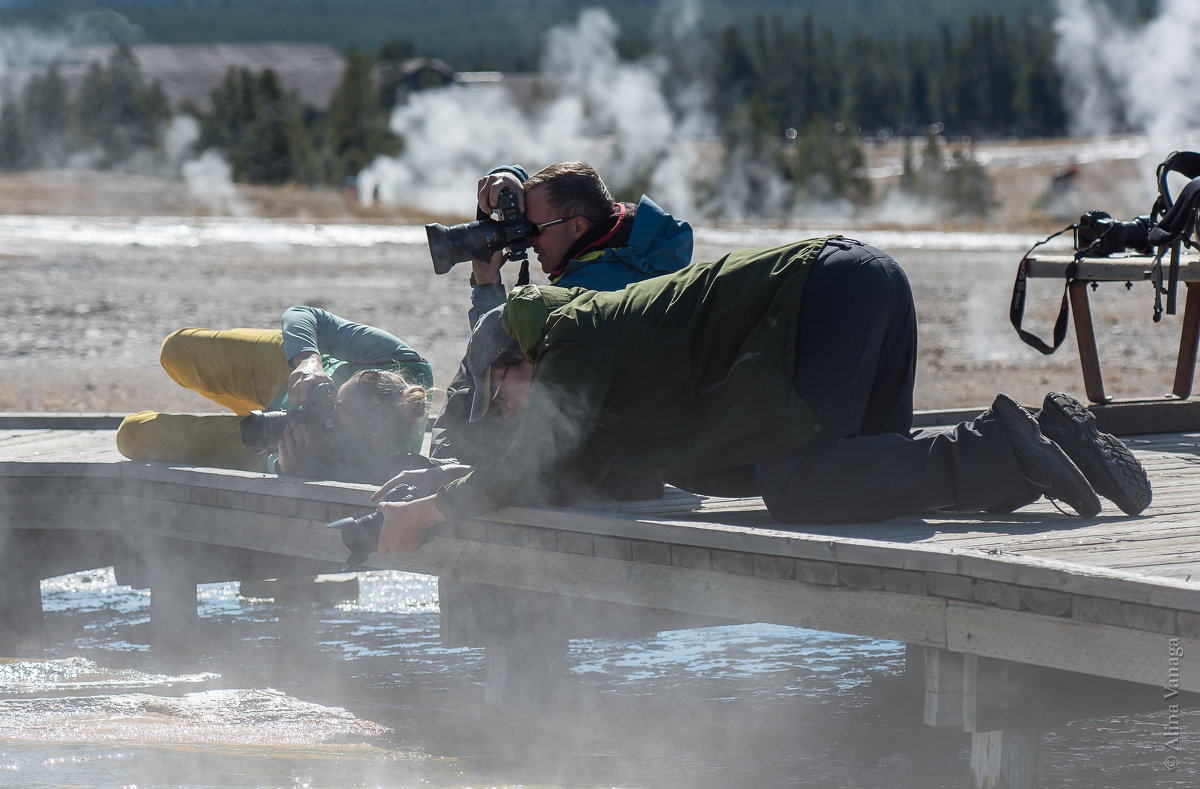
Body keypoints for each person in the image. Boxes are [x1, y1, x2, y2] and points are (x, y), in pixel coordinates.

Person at [368, 236, 1153, 554]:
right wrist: (446, 479)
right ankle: (1047, 437)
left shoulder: (574, 333)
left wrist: (430, 514)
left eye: (498, 398)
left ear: (514, 359)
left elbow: (534, 454)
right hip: (859, 287)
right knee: (860, 482)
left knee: (801, 485)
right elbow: (570, 475)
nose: (510, 416)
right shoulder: (592, 394)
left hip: (827, 295)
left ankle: (1001, 448)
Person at [429, 160, 693, 466]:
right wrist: (510, 176)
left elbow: (497, 350)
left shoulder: (592, 291)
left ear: (578, 226)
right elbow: (557, 194)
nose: (527, 240)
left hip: (606, 448)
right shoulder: (633, 247)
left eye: (533, 229)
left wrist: (487, 288)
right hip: (649, 429)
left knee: (481, 364)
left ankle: (444, 468)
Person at [117, 306, 434, 484]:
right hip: (288, 372)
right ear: (373, 375)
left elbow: (317, 497)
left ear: (373, 438)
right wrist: (309, 360)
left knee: (132, 436)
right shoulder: (403, 361)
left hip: (279, 436)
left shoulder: (374, 471)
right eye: (332, 397)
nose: (328, 408)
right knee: (176, 350)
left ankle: (249, 421)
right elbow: (304, 314)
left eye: (336, 419)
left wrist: (291, 469)